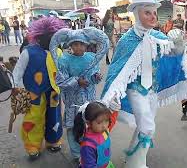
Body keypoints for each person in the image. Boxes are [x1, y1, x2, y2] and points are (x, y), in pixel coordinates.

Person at [101, 0, 187, 167]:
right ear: (137, 13)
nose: (153, 17)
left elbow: (174, 51)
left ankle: (133, 158)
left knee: (143, 126)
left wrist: (178, 42)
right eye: (147, 13)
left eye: (154, 13)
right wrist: (111, 94)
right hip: (135, 89)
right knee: (147, 126)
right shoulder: (127, 40)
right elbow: (117, 70)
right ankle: (137, 164)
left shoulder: (157, 36)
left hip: (152, 88)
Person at [50, 27, 108, 162]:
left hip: (89, 102)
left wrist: (96, 77)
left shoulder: (91, 58)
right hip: (73, 103)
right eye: (75, 44)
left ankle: (90, 150)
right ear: (70, 45)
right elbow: (60, 81)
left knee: (89, 126)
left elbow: (93, 77)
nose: (79, 47)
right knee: (73, 128)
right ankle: (76, 154)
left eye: (82, 44)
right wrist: (77, 81)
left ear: (86, 45)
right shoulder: (64, 60)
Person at [11, 17, 66, 160]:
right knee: (34, 117)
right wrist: (15, 86)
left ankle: (53, 140)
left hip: (54, 92)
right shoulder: (28, 52)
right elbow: (18, 70)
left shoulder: (58, 52)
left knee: (54, 117)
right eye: (48, 37)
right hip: (34, 93)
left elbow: (63, 70)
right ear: (39, 37)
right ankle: (32, 145)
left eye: (54, 37)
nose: (51, 40)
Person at [73, 101, 119, 168]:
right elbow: (89, 165)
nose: (104, 126)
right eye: (99, 123)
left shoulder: (104, 130)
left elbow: (112, 121)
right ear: (88, 123)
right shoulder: (88, 145)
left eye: (106, 121)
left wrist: (115, 111)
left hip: (106, 165)